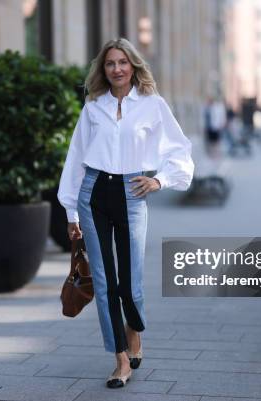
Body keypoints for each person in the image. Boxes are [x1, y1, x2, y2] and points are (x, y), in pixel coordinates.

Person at [57, 38, 194, 388]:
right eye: (109, 63)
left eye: (122, 62)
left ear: (133, 66)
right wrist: (71, 211)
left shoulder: (152, 105)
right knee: (104, 283)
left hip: (133, 192)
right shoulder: (93, 107)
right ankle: (120, 358)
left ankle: (135, 331)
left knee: (130, 283)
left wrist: (159, 180)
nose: (116, 68)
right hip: (94, 193)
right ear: (102, 70)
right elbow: (76, 158)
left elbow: (179, 149)